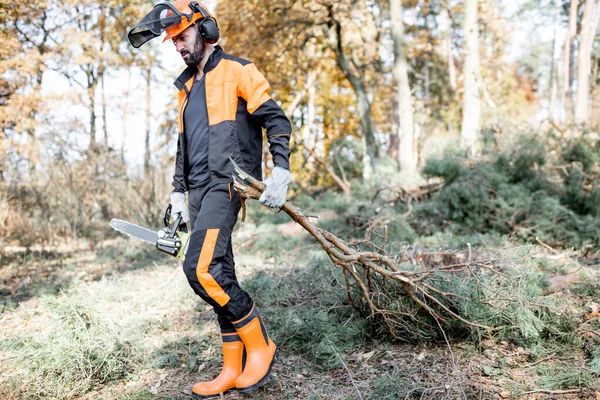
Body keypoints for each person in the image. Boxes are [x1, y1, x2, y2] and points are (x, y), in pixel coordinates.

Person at [128, 1, 293, 397]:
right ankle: (232, 366)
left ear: (206, 30)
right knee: (220, 272)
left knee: (199, 270)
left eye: (182, 37)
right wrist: (178, 193)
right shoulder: (185, 89)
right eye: (173, 42)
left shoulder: (237, 70)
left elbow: (276, 118)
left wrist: (280, 169)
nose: (179, 47)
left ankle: (260, 345)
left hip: (228, 183)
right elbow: (183, 148)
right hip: (198, 190)